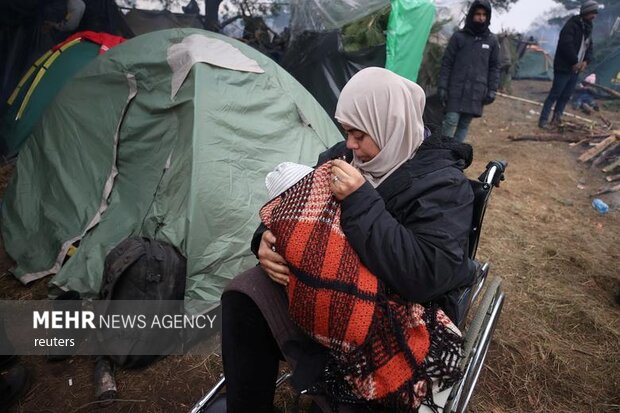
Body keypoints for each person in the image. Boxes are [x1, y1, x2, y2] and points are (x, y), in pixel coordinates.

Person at [219, 67, 476, 413]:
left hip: (392, 313)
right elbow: (295, 204)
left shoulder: (443, 185)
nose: (351, 145)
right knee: (244, 294)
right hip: (324, 287)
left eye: (359, 134)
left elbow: (424, 275)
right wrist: (265, 239)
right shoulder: (344, 156)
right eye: (347, 133)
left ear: (392, 125)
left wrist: (359, 200)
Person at [437, 0, 500, 143]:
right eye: (478, 14)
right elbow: (447, 63)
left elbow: (494, 67)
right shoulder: (459, 37)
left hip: (476, 91)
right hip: (456, 89)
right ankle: (441, 152)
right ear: (472, 15)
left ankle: (454, 156)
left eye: (484, 15)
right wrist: (442, 86)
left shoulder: (492, 41)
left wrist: (492, 90)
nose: (481, 18)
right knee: (451, 120)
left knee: (464, 125)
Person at [538, 0, 599, 129]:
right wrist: (574, 61)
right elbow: (566, 45)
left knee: (566, 96)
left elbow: (589, 47)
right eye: (593, 12)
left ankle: (556, 119)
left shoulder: (588, 27)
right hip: (564, 67)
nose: (594, 16)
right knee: (555, 94)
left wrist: (586, 61)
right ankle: (543, 121)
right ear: (586, 12)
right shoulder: (572, 25)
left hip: (576, 69)